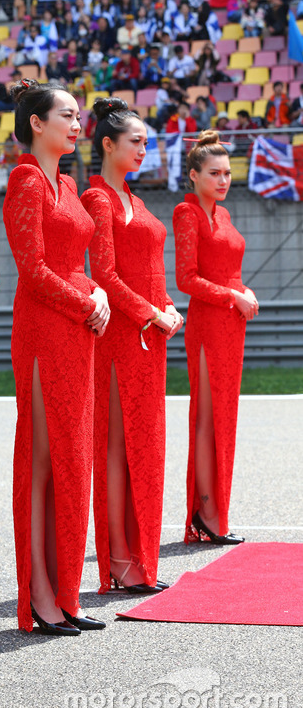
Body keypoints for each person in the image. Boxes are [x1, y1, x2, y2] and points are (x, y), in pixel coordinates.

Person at [3, 79, 110, 636]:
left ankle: (64, 592)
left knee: (72, 460)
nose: (76, 124)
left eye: (78, 116)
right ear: (36, 123)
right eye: (65, 115)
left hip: (77, 326)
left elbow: (72, 260)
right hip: (46, 328)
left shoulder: (68, 183)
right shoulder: (26, 180)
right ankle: (40, 596)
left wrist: (99, 292)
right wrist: (85, 298)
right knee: (45, 463)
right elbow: (33, 268)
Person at [81, 99, 183, 596]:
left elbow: (151, 270)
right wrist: (150, 312)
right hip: (122, 337)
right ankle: (120, 560)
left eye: (147, 141)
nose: (145, 149)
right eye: (135, 141)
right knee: (118, 449)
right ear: (107, 144)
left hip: (151, 338)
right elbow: (105, 274)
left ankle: (137, 557)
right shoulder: (98, 198)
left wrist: (167, 304)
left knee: (145, 448)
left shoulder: (137, 203)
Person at [173, 131, 259, 546]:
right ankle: (206, 512)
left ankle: (216, 511)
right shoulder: (186, 214)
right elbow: (186, 279)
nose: (223, 180)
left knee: (224, 418)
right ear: (193, 175)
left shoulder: (223, 216)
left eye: (227, 173)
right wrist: (233, 296)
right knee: (208, 419)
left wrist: (246, 291)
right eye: (214, 173)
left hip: (232, 324)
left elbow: (229, 268)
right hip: (208, 324)